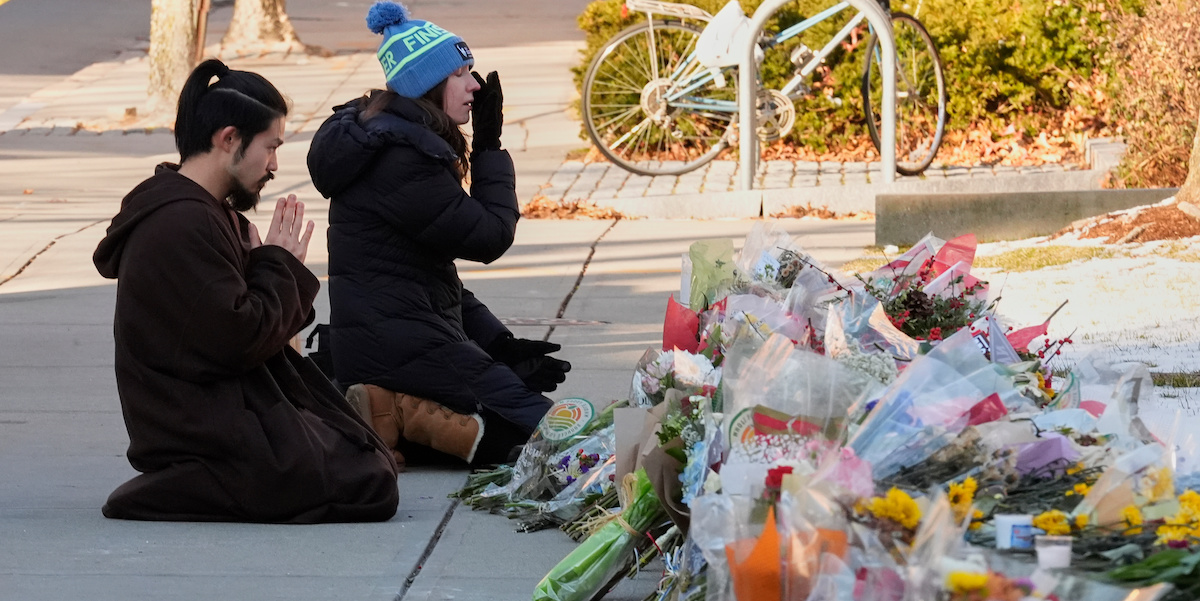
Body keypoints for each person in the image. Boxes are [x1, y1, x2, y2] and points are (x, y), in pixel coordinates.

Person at [92, 59, 400, 523]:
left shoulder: (206, 212)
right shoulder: (180, 222)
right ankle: (180, 482)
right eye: (270, 147)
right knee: (367, 483)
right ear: (229, 139)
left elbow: (244, 333)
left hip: (221, 408)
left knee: (363, 457)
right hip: (198, 426)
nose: (275, 165)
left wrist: (269, 268)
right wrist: (279, 266)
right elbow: (238, 338)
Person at [306, 1, 570, 468]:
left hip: (395, 334)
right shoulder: (402, 158)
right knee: (544, 431)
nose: (475, 85)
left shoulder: (394, 139)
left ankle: (388, 412)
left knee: (522, 412)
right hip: (394, 343)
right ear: (427, 84)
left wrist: (501, 345)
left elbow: (431, 281)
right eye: (461, 73)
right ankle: (389, 416)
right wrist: (489, 147)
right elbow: (489, 237)